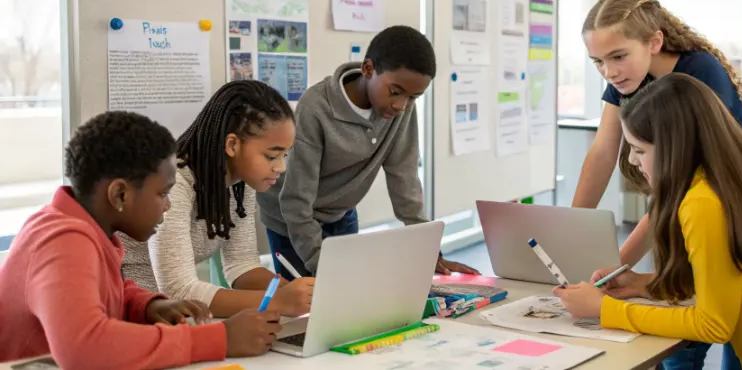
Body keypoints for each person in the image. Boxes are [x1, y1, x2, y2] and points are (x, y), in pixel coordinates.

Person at [553, 73, 742, 370]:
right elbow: (731, 281)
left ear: (674, 148)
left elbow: (714, 324)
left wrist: (605, 309)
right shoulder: (741, 173)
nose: (632, 161)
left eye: (640, 150)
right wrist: (646, 285)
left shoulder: (701, 201)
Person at [0, 111, 282, 368]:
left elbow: (105, 291)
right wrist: (219, 339)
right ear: (120, 195)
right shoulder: (62, 242)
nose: (167, 206)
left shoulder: (85, 229)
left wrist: (147, 306)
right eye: (162, 194)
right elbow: (85, 346)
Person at [572, 0, 742, 369]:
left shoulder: (698, 75)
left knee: (732, 330)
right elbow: (604, 150)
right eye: (598, 62)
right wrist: (571, 230)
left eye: (618, 57)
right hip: (684, 213)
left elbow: (682, 192)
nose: (609, 71)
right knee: (676, 343)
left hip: (735, 217)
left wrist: (615, 268)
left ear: (654, 41)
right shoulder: (625, 76)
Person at [258, 25, 478, 279]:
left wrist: (428, 252)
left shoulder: (400, 109)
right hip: (291, 219)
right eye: (395, 92)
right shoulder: (316, 107)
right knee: (308, 305)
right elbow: (296, 201)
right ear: (368, 69)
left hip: (340, 213)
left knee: (351, 300)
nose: (401, 105)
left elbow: (404, 179)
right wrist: (325, 266)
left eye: (414, 97)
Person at [122, 81, 314, 319]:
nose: (281, 167)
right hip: (130, 312)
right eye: (272, 156)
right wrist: (278, 302)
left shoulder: (240, 185)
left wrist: (302, 295)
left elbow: (242, 268)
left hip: (169, 316)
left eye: (285, 155)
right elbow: (178, 290)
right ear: (232, 145)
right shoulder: (174, 185)